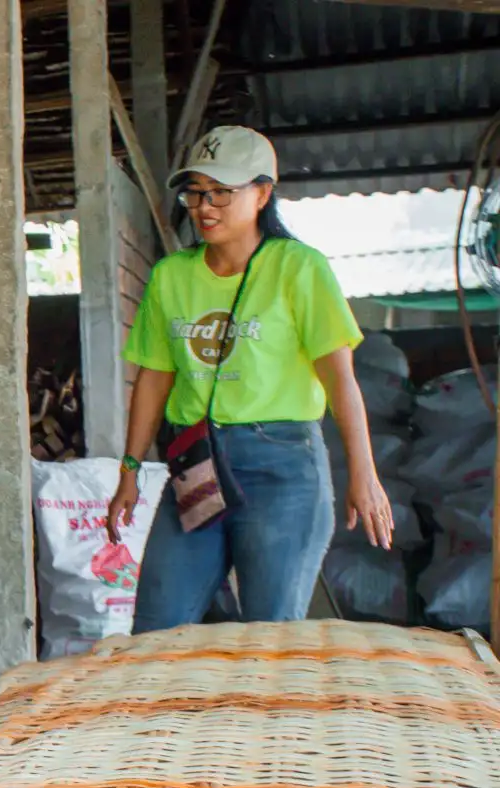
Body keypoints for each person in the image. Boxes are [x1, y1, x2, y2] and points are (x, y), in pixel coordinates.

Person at [106, 126, 394, 631]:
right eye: (195, 191)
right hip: (195, 465)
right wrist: (129, 469)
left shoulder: (299, 269)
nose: (205, 206)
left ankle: (263, 714)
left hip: (281, 467)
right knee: (156, 628)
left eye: (222, 192)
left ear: (262, 193)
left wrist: (363, 473)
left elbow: (341, 381)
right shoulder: (172, 276)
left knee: (269, 638)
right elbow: (153, 377)